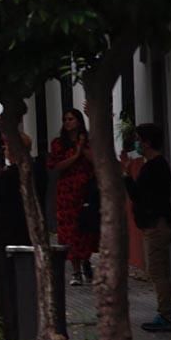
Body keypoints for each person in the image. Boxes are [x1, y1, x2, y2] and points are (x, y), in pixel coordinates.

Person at [122, 123, 171, 331]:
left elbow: (140, 196)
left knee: (157, 271)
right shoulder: (155, 165)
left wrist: (127, 176)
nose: (136, 143)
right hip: (156, 222)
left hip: (157, 225)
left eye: (138, 139)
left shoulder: (155, 166)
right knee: (159, 270)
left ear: (147, 142)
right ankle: (165, 312)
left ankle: (165, 315)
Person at [47, 108, 97, 285]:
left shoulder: (88, 141)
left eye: (71, 119)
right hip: (67, 193)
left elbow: (96, 160)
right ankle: (75, 270)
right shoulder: (59, 144)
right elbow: (57, 166)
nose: (68, 122)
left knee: (86, 229)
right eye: (65, 119)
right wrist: (76, 154)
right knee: (69, 231)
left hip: (86, 192)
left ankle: (86, 261)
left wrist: (82, 148)